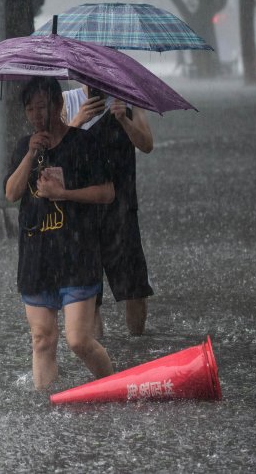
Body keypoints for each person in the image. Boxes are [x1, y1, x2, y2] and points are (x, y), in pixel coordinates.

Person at [5, 77, 116, 390]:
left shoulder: (84, 143)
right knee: (42, 339)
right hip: (36, 258)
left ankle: (114, 388)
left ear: (58, 105)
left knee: (79, 340)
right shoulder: (23, 148)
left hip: (77, 255)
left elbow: (107, 192)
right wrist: (29, 155)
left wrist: (65, 194)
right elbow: (11, 193)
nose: (37, 115)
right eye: (30, 109)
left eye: (42, 107)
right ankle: (46, 410)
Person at [63, 84, 154, 337]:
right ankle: (101, 362)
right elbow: (55, 155)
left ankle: (137, 350)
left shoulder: (130, 97)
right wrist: (78, 120)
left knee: (134, 288)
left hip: (122, 210)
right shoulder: (67, 101)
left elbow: (147, 144)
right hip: (80, 213)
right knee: (89, 296)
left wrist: (124, 119)